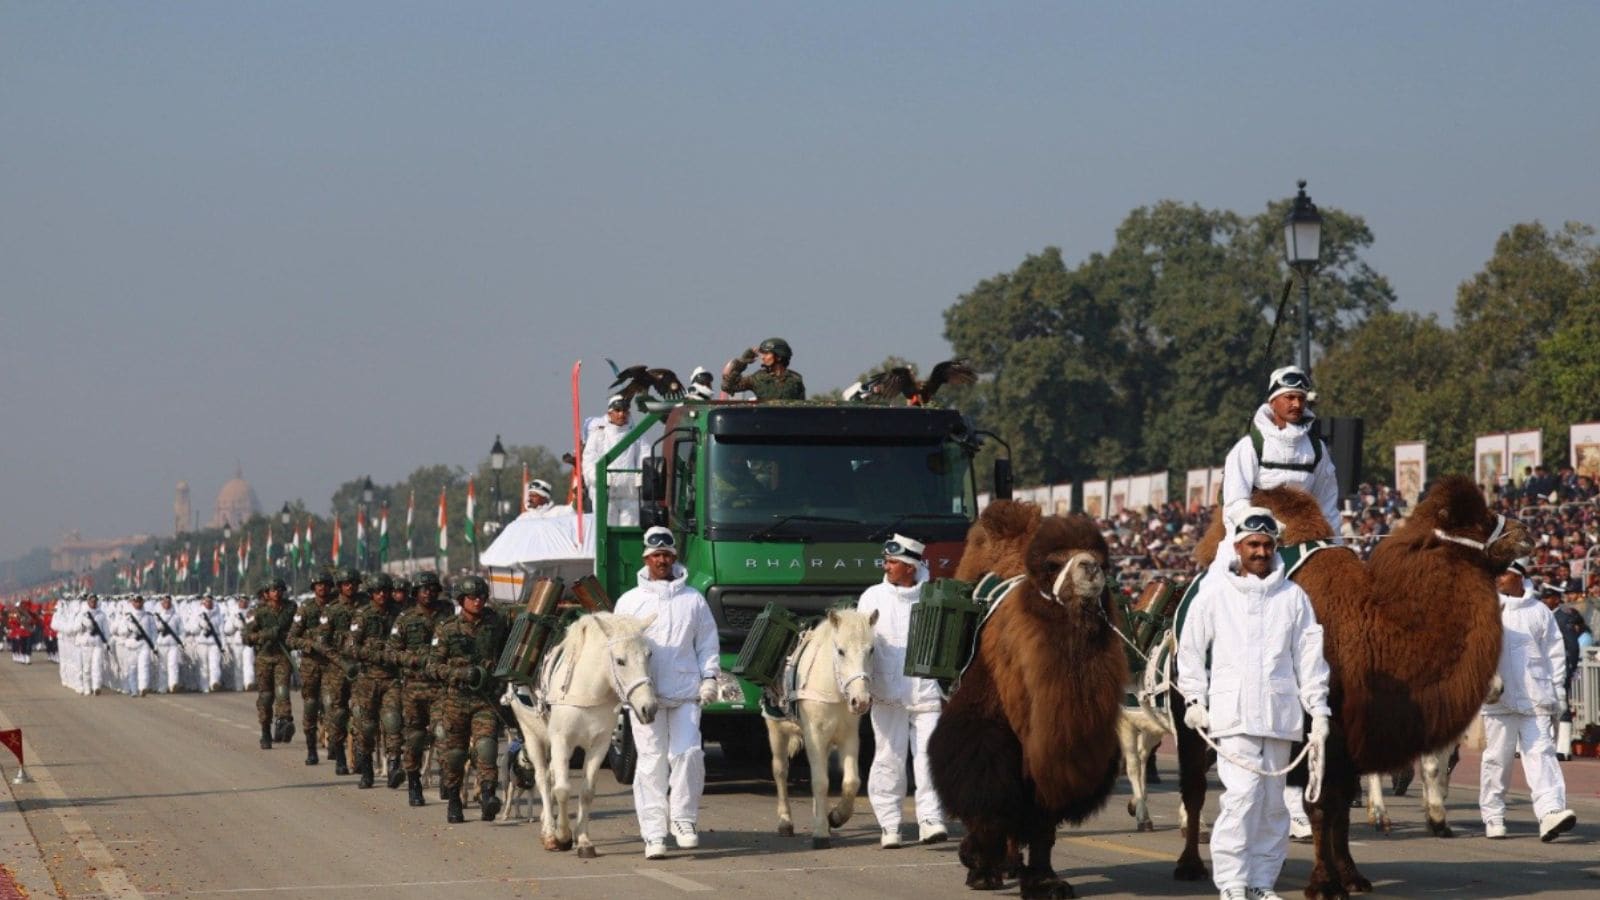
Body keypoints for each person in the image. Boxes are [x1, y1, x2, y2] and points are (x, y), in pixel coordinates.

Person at [1176, 508, 1331, 900]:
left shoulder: (1294, 597)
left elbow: (1309, 658)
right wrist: (1194, 698)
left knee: (1273, 805)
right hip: (1233, 715)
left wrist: (1319, 710)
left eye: (1266, 545)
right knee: (1242, 798)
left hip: (1280, 715)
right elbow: (1191, 650)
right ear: (1238, 547)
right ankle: (1231, 882)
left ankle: (1261, 882)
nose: (1261, 552)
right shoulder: (1215, 594)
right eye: (1253, 545)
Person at [614, 526, 720, 859]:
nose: (662, 560)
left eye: (667, 555)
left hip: (687, 693)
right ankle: (654, 834)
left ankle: (684, 821)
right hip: (645, 698)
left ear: (674, 558)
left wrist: (710, 679)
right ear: (646, 558)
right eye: (656, 555)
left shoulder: (694, 600)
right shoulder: (629, 602)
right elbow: (618, 653)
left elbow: (706, 644)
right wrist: (624, 692)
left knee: (688, 755)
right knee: (650, 763)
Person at [857, 534, 947, 849]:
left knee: (929, 759)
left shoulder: (935, 595)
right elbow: (860, 648)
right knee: (887, 760)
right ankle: (890, 825)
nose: (887, 566)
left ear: (911, 566)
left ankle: (931, 820)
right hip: (886, 695)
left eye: (893, 562)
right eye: (887, 561)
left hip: (926, 694)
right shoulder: (871, 597)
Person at [1481, 559, 1577, 841]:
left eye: (1504, 573)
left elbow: (1554, 655)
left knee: (1542, 755)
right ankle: (1494, 814)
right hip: (1499, 700)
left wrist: (1556, 690)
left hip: (1536, 697)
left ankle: (1550, 812)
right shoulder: (1487, 608)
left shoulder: (1540, 611)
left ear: (1518, 576)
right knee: (1497, 760)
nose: (1498, 577)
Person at [427, 574, 510, 823]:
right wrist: (461, 673)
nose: (477, 602)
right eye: (472, 598)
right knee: (455, 754)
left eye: (482, 597)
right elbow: (432, 667)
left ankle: (487, 795)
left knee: (487, 747)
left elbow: (506, 653)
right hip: (455, 700)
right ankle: (454, 799)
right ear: (461, 600)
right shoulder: (447, 628)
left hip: (485, 699)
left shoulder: (495, 623)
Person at [388, 569, 454, 806]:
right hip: (414, 688)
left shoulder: (447, 615)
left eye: (432, 589)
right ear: (416, 592)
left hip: (440, 688)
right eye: (424, 589)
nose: (428, 593)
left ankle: (449, 779)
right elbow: (392, 653)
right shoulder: (405, 620)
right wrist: (414, 660)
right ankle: (414, 783)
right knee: (415, 739)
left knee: (443, 733)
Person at [347, 573, 403, 790]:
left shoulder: (399, 614)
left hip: (391, 679)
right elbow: (350, 647)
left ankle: (394, 765)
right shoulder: (362, 615)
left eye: (386, 591)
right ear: (371, 594)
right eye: (378, 591)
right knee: (367, 726)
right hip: (367, 679)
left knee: (392, 721)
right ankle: (367, 768)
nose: (382, 595)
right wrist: (375, 654)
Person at [316, 567, 364, 775]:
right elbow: (322, 643)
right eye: (346, 584)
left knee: (361, 712)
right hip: (337, 670)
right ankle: (341, 756)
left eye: (353, 583)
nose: (350, 587)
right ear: (340, 587)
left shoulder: (365, 607)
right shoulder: (331, 610)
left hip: (361, 668)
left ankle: (361, 755)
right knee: (338, 713)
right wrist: (341, 662)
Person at [288, 569, 338, 766]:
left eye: (325, 585)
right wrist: (309, 644)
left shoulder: (336, 608)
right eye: (318, 585)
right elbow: (291, 638)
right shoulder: (306, 609)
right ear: (314, 588)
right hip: (310, 665)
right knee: (310, 705)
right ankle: (311, 748)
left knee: (331, 704)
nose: (322, 588)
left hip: (332, 665)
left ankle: (335, 744)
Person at [244, 578, 297, 750]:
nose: (277, 593)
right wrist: (266, 635)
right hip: (264, 658)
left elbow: (298, 627)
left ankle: (284, 722)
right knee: (266, 697)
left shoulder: (290, 608)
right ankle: (265, 730)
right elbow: (246, 637)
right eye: (274, 590)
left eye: (280, 589)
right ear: (267, 593)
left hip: (282, 656)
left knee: (282, 692)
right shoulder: (258, 612)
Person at [582, 394, 644, 526]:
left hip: (630, 495)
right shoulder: (598, 435)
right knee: (606, 532)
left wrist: (642, 476)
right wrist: (601, 478)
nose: (621, 414)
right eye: (618, 410)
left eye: (625, 411)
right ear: (610, 413)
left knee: (629, 534)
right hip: (606, 495)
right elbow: (589, 462)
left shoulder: (636, 436)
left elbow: (645, 457)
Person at [721, 337, 805, 400]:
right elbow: (727, 387)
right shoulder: (757, 378)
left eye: (766, 353)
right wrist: (743, 362)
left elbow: (802, 408)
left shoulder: (795, 380)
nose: (762, 357)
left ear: (779, 357)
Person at [113, 595, 158, 696]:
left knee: (144, 666)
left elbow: (154, 632)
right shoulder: (127, 617)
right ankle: (133, 689)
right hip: (131, 644)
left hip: (144, 644)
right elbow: (120, 631)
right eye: (136, 601)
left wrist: (154, 644)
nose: (138, 603)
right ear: (132, 603)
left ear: (143, 602)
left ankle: (143, 688)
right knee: (132, 668)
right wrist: (129, 629)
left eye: (140, 601)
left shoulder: (148, 616)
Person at [187, 594, 227, 692]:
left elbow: (222, 631)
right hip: (201, 642)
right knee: (203, 665)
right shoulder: (197, 614)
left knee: (215, 664)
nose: (208, 603)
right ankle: (204, 686)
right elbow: (191, 629)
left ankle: (214, 682)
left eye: (210, 601)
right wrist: (200, 626)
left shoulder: (218, 615)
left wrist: (224, 644)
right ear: (203, 602)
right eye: (206, 601)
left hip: (214, 643)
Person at [72, 595, 111, 696]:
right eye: (91, 601)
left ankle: (96, 686)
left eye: (95, 601)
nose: (93, 603)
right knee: (86, 667)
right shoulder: (82, 614)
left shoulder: (101, 615)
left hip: (98, 643)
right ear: (88, 602)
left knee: (97, 664)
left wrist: (107, 642)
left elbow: (106, 630)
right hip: (86, 643)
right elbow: (75, 628)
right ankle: (87, 687)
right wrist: (82, 625)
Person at [151, 595, 186, 693]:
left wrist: (182, 641)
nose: (167, 604)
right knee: (162, 667)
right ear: (162, 603)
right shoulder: (157, 617)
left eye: (168, 602)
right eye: (165, 602)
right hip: (161, 644)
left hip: (173, 644)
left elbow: (182, 631)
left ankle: (173, 684)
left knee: (173, 665)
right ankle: (162, 687)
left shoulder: (176, 616)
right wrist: (154, 645)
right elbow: (153, 632)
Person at [223, 595, 255, 690]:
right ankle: (239, 686)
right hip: (237, 641)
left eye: (246, 601)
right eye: (242, 601)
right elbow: (227, 630)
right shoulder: (234, 613)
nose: (244, 603)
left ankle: (249, 683)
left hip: (249, 641)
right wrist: (235, 625)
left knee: (248, 663)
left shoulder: (252, 613)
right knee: (238, 665)